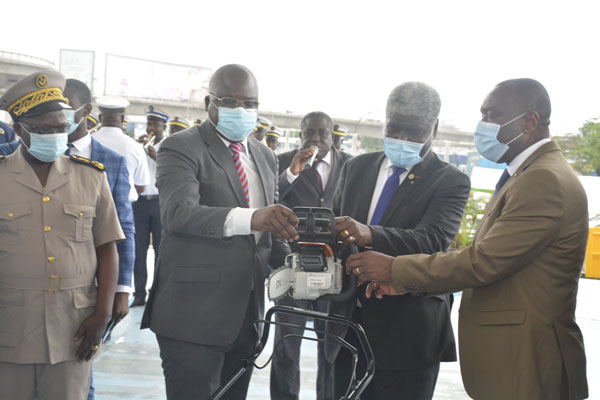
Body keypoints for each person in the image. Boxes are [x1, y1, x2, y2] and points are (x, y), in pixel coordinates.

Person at [347, 78, 589, 400]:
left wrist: (395, 270)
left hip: (527, 354)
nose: (482, 126)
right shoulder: (528, 174)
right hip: (518, 353)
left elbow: (483, 262)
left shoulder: (543, 179)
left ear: (529, 121)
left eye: (492, 115)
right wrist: (407, 282)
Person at [141, 64, 298, 400]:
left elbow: (267, 236)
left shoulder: (266, 156)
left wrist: (296, 264)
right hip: (192, 316)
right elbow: (178, 213)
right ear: (208, 103)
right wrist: (254, 218)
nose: (241, 111)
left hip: (247, 315)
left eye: (250, 104)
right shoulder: (182, 146)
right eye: (230, 102)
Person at [330, 82, 470, 400]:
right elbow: (336, 227)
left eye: (414, 132)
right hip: (345, 328)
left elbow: (432, 239)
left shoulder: (450, 180)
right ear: (385, 121)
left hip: (408, 335)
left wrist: (370, 233)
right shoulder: (356, 168)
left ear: (433, 128)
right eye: (395, 129)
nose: (403, 139)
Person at [0, 70, 124, 399]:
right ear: (18, 128)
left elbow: (108, 249)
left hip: (74, 326)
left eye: (60, 128)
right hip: (10, 325)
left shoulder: (91, 178)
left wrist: (103, 313)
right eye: (42, 130)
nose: (54, 136)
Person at [271, 111, 353, 400]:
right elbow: (268, 206)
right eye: (309, 133)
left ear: (333, 135)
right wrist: (292, 173)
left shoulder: (352, 166)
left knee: (330, 346)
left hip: (334, 268)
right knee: (287, 343)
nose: (316, 138)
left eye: (322, 133)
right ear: (300, 134)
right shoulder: (283, 163)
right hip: (292, 266)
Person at [63, 78, 136, 399]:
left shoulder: (111, 161)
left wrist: (122, 289)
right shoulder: (19, 154)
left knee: (81, 366)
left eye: (64, 108)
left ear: (85, 111)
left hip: (91, 286)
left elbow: (123, 229)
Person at [130, 106, 167, 307]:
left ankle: (157, 291)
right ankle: (139, 293)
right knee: (139, 248)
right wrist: (139, 150)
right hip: (141, 202)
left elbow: (172, 173)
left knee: (161, 250)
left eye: (156, 124)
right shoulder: (138, 146)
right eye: (150, 124)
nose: (152, 128)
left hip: (161, 202)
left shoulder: (169, 147)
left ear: (164, 127)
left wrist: (156, 157)